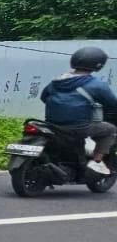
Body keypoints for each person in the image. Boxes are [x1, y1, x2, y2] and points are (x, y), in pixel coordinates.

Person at [40, 46, 117, 176]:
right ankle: (97, 162)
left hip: (52, 126)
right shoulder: (97, 84)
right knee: (110, 130)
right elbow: (112, 104)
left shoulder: (56, 81)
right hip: (78, 127)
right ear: (99, 64)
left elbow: (44, 97)